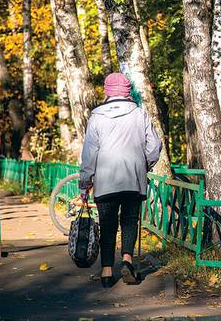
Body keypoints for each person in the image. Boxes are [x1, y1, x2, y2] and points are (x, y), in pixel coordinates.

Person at [79, 72, 162, 288]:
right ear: (127, 91)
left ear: (106, 91)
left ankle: (107, 272)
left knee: (107, 225)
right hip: (133, 178)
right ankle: (126, 260)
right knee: (129, 219)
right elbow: (154, 146)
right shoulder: (139, 114)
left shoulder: (96, 115)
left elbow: (89, 153)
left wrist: (85, 181)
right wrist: (145, 164)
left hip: (105, 180)